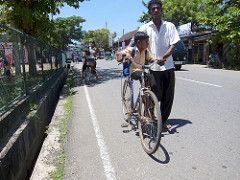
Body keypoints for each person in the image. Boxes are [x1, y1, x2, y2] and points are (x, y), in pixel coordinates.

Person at [129, 0, 180, 129]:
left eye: (158, 8)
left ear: (161, 10)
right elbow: (135, 40)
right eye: (153, 9)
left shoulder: (169, 26)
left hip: (168, 66)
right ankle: (150, 115)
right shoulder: (145, 28)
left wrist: (164, 57)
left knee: (168, 96)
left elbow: (173, 45)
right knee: (154, 94)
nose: (156, 10)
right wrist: (126, 51)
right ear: (150, 12)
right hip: (152, 67)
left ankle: (163, 120)